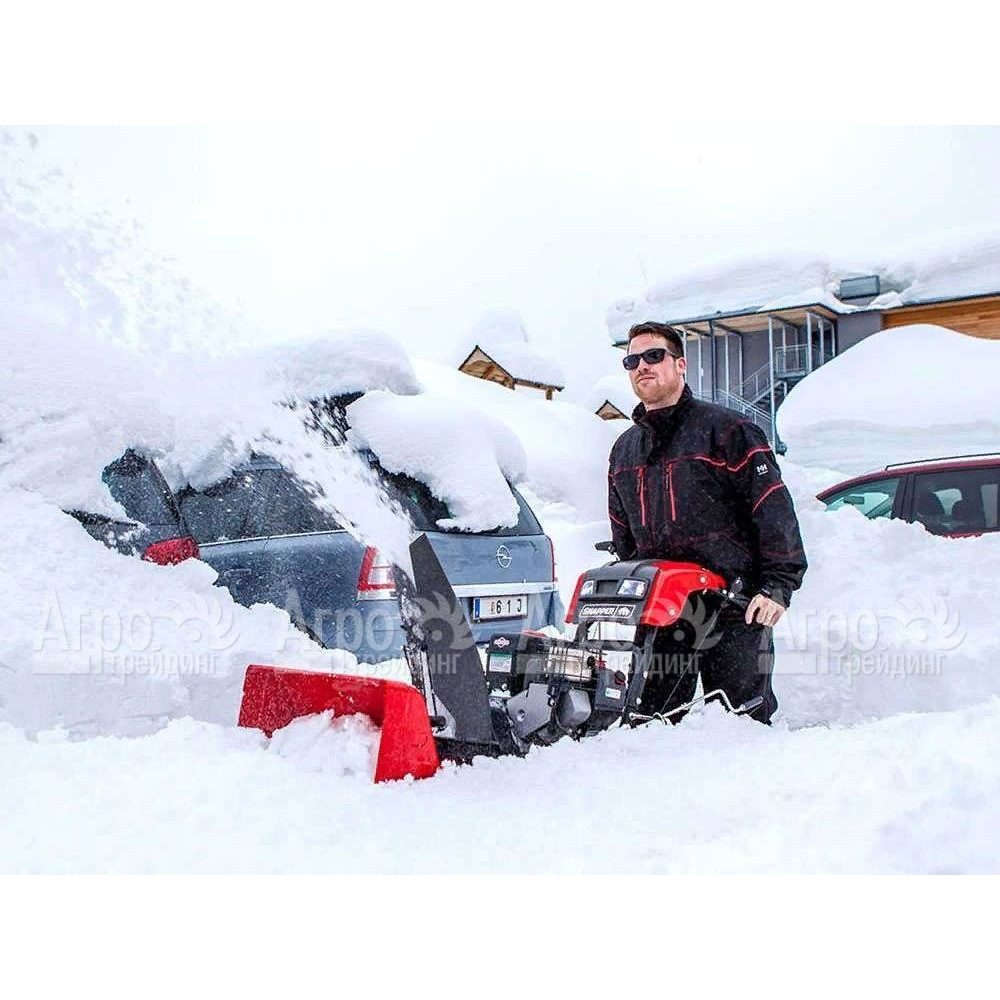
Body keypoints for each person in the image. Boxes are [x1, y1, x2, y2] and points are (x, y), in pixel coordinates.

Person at [608, 321, 807, 723]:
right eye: (632, 360)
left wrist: (777, 586)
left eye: (653, 356)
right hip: (663, 610)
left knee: (741, 722)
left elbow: (772, 510)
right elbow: (623, 533)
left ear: (680, 364)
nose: (642, 366)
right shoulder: (625, 450)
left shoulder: (729, 431)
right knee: (651, 723)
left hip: (734, 604)